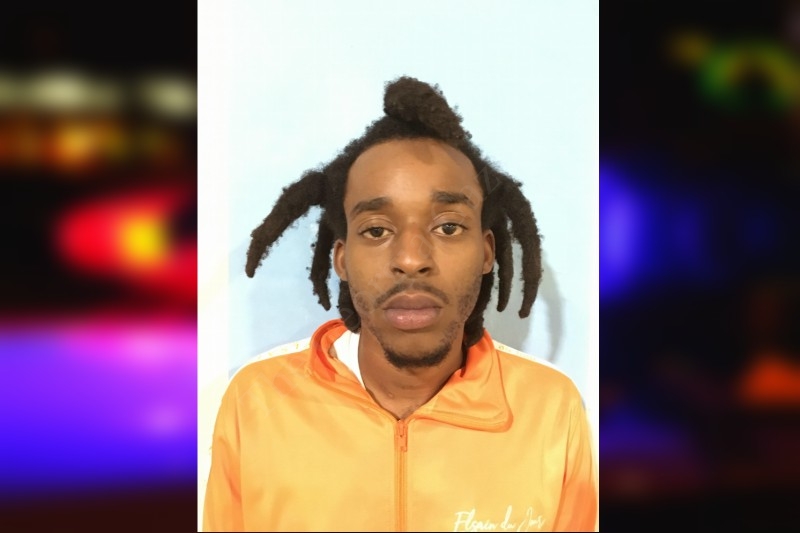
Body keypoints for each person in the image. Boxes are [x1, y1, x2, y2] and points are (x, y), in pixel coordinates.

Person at [203, 76, 598, 532]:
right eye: (376, 230)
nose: (411, 260)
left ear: (487, 252)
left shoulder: (551, 409)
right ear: (342, 259)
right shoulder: (256, 401)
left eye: (448, 227)